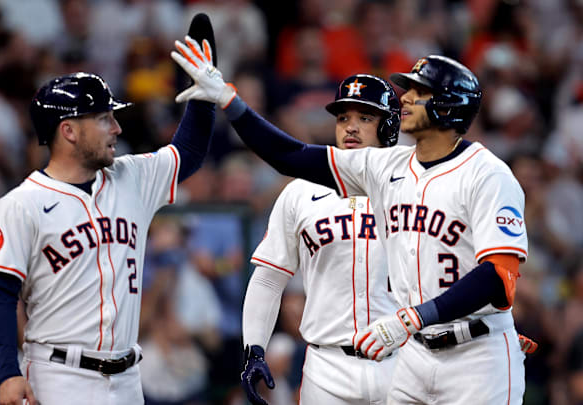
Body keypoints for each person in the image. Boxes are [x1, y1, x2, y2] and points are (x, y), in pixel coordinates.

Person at [172, 39, 530, 404]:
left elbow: (500, 278)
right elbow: (290, 155)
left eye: (417, 92)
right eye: (343, 117)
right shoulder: (383, 169)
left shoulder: (488, 175)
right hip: (406, 355)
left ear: (448, 105)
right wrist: (231, 103)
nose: (404, 97)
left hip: (466, 350)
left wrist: (418, 320)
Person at [0, 36, 217, 405]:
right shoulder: (21, 204)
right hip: (58, 377)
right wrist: (7, 373)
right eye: (104, 118)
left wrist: (203, 95)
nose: (117, 128)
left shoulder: (132, 177)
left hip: (127, 379)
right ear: (69, 131)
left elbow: (188, 152)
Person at [239, 74, 401, 405]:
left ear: (389, 126)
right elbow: (269, 279)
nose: (350, 127)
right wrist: (254, 347)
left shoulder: (413, 187)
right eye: (343, 117)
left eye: (365, 117)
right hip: (327, 368)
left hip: (402, 362)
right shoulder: (300, 192)